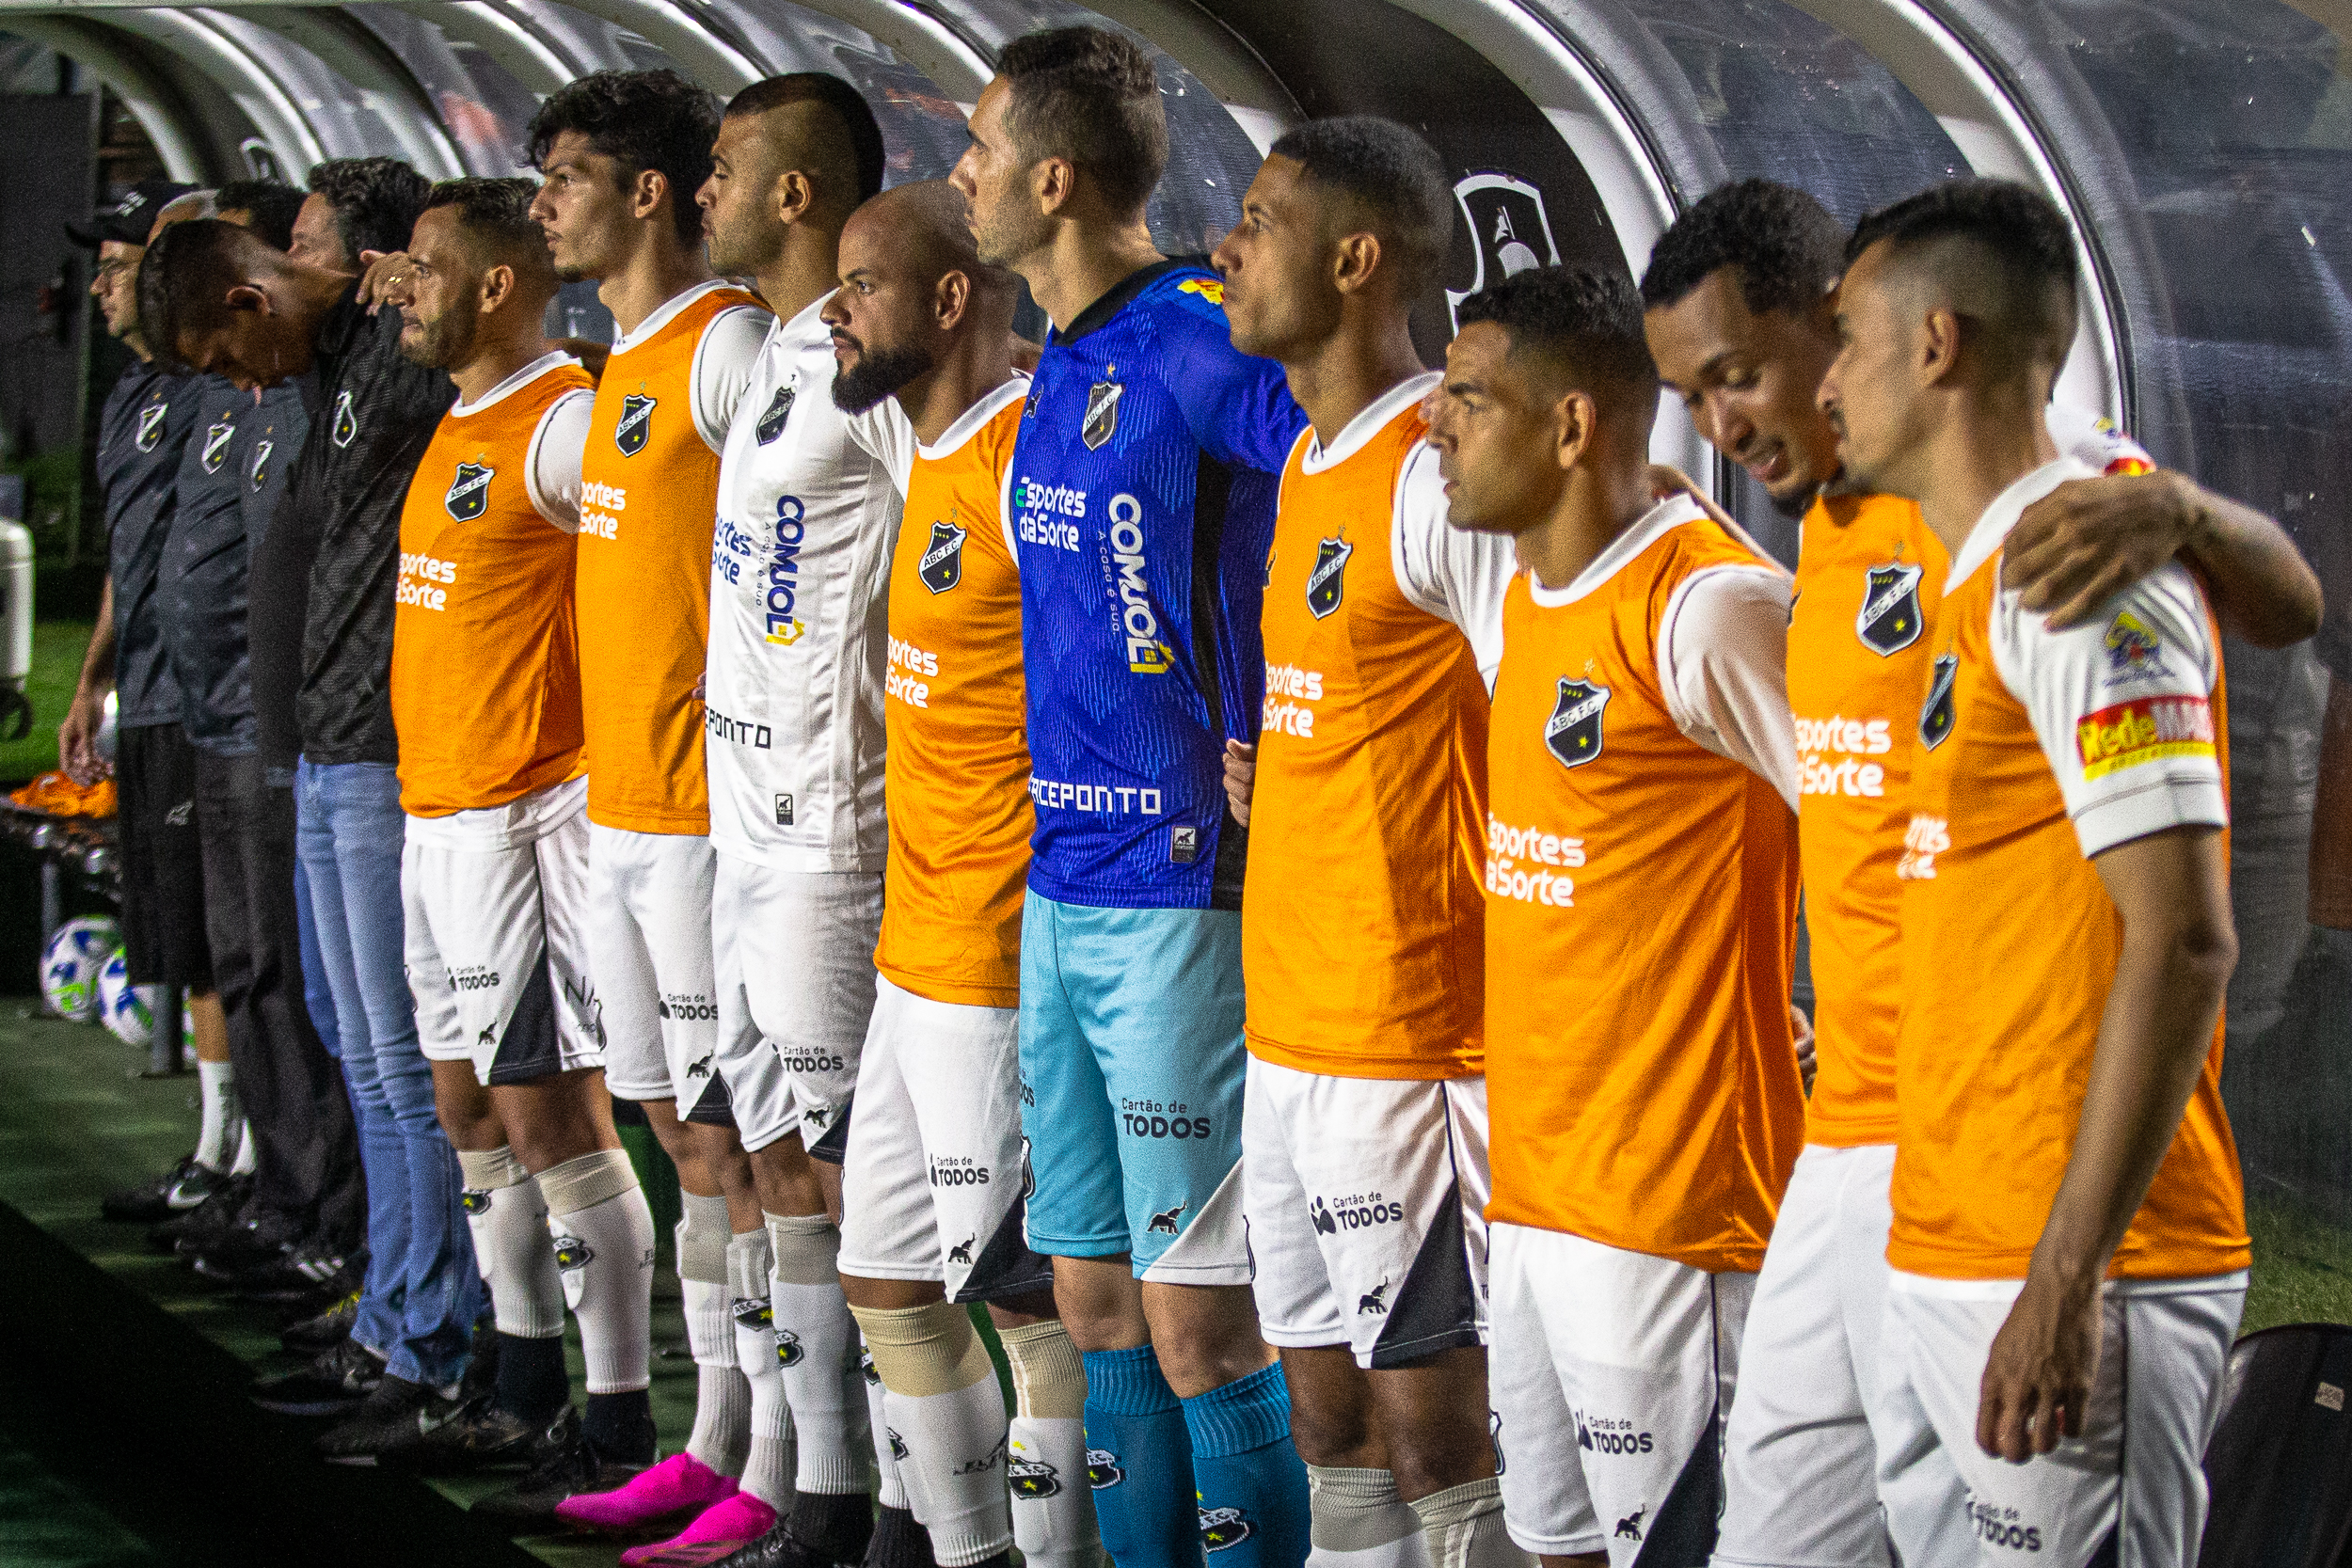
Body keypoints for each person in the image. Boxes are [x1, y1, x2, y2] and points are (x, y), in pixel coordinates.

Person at [1637, 178, 2320, 1568]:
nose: (1724, 424)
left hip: (2021, 1152)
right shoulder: (1864, 533)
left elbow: (2283, 617)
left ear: (1861, 329)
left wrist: (2183, 510)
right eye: (1691, 397)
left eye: (1740, 374)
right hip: (1880, 1139)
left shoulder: (2054, 529)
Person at [1820, 178, 2250, 1568]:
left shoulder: (2083, 577)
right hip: (1949, 1237)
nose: (1825, 383)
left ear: (1935, 344)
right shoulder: (1982, 574)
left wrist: (2066, 1276)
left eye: (1845, 341)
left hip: (2072, 1266)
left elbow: (2184, 939)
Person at [950, 25, 1312, 1566]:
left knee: (1200, 1321)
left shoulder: (1199, 339)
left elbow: (1365, 468)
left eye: (979, 148)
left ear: (1051, 178)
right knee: (1092, 1298)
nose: (960, 173)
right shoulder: (1062, 358)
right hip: (1063, 880)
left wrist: (1286, 725)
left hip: (1183, 886)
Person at [1431, 266, 1802, 1568]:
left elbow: (1876, 816)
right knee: (1557, 1546)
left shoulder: (1710, 605)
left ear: (1573, 426)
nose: (1434, 426)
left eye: (1468, 399)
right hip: (1538, 1190)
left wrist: (1827, 1012)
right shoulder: (1525, 593)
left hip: (1674, 1212)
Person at [1208, 119, 1523, 1566]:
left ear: (1354, 260)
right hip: (1290, 1028)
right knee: (1328, 1423)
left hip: (1412, 1040)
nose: (1225, 248)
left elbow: (1557, 702)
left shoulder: (1433, 469)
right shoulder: (1310, 458)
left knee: (1440, 1442)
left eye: (1258, 221)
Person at [137, 158, 485, 1451]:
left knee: (402, 1061)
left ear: (249, 299)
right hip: (330, 745)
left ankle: (431, 1336)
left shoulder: (394, 345)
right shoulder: (329, 362)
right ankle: (393, 1318)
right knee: (363, 1046)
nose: (235, 381)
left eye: (225, 351)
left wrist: (409, 275)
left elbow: (501, 283)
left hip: (386, 750)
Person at [349, 176, 662, 1480]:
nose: (400, 289)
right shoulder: (466, 412)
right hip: (438, 813)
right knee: (466, 1104)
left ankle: (617, 1414)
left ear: (494, 285)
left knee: (556, 1120)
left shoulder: (563, 422)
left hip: (526, 822)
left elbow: (654, 550)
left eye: (424, 268)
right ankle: (521, 1377)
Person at [508, 68, 775, 1536]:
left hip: (704, 822)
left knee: (739, 1151)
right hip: (621, 813)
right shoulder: (619, 360)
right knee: (677, 1138)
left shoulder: (725, 345)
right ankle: (714, 1441)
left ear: (649, 191)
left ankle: (782, 1464)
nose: (545, 205)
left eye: (568, 178)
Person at [823, 178, 1100, 1568]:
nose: (833, 311)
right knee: (882, 1276)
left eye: (860, 286)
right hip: (911, 950)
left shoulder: (1022, 457)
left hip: (993, 953)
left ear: (947, 300)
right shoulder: (920, 433)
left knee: (1029, 1303)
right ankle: (965, 1549)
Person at [678, 72, 920, 1568]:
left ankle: (901, 1505)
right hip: (741, 831)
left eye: (721, 166)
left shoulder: (865, 356)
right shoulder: (772, 345)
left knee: (851, 1185)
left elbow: (962, 521)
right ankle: (806, 1487)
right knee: (772, 1164)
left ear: (792, 192)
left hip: (830, 832)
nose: (700, 189)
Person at [154, 179, 370, 1310]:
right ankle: (293, 1202)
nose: (235, 380)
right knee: (264, 975)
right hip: (256, 725)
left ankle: (339, 1229)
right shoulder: (288, 379)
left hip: (319, 739)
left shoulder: (342, 369)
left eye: (319, 242)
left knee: (329, 1008)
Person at [61, 181, 240, 1227]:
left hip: (205, 702)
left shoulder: (217, 391)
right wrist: (94, 679)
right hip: (152, 694)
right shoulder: (132, 393)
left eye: (122, 266)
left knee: (219, 941)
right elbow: (129, 553)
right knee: (183, 936)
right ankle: (219, 1147)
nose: (104, 286)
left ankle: (234, 1156)